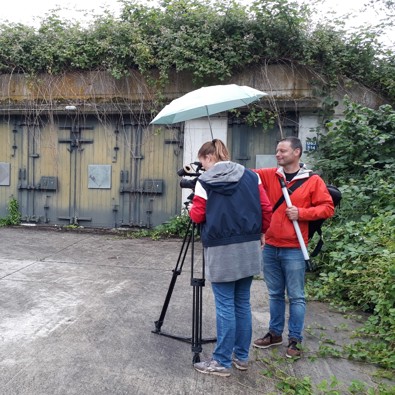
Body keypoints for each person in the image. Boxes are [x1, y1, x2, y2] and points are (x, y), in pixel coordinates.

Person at [188, 139, 272, 377]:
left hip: (221, 248)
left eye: (202, 161)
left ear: (208, 157)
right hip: (249, 244)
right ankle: (241, 357)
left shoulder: (205, 181)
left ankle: (222, 361)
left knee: (225, 305)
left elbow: (197, 215)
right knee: (242, 303)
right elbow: (266, 208)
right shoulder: (251, 176)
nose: (202, 167)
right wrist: (262, 232)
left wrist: (192, 206)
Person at [253, 136, 334, 358]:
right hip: (270, 246)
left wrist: (302, 213)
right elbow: (245, 175)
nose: (278, 154)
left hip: (295, 248)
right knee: (275, 294)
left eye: (282, 151)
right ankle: (274, 333)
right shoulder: (270, 175)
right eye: (277, 151)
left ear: (296, 152)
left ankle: (295, 340)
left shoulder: (312, 180)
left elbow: (327, 208)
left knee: (297, 296)